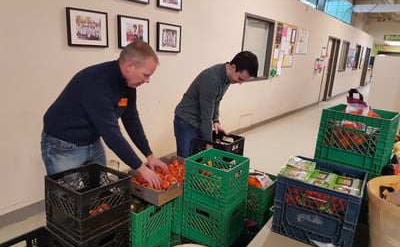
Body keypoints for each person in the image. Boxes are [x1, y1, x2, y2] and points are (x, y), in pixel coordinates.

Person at [41, 41, 167, 189]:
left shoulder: (128, 84)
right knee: (69, 195)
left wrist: (149, 154)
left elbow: (131, 120)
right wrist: (140, 168)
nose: (147, 81)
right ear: (130, 66)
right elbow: (111, 134)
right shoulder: (97, 83)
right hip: (63, 144)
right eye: (146, 75)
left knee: (100, 188)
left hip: (92, 140)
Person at [174, 51, 258, 158]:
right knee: (186, 162)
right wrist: (209, 143)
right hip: (186, 121)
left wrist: (216, 121)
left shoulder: (227, 78)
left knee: (197, 161)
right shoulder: (212, 79)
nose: (240, 83)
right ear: (233, 67)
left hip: (200, 121)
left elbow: (216, 100)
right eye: (240, 79)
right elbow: (206, 117)